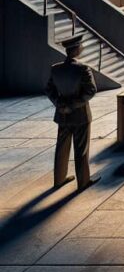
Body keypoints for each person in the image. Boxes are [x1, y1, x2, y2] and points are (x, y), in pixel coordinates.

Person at [44, 33, 100, 191]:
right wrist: (73, 105)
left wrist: (60, 104)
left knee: (61, 148)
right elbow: (91, 90)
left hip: (62, 114)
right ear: (76, 50)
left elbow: (49, 89)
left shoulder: (56, 69)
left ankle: (59, 179)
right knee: (81, 149)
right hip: (80, 114)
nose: (82, 47)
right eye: (81, 46)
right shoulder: (83, 69)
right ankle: (83, 182)